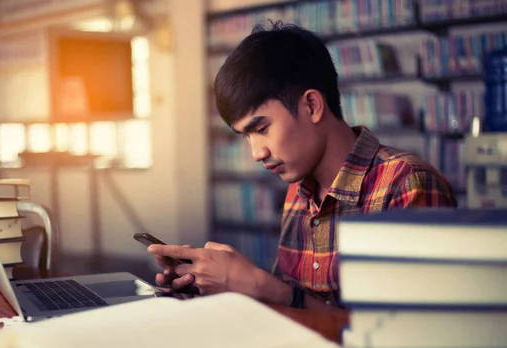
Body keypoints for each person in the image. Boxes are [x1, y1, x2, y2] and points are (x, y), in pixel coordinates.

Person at [148, 21, 457, 311]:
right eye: (246, 136)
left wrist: (263, 286)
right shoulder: (299, 191)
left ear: (312, 105)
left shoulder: (408, 184)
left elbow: (406, 341)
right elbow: (290, 313)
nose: (257, 152)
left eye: (262, 128)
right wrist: (219, 290)